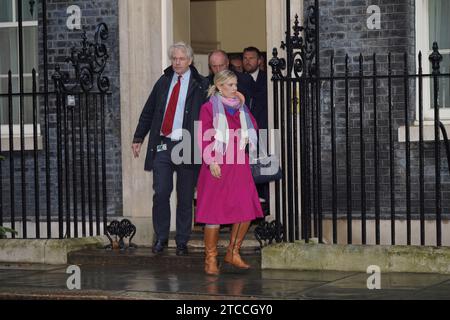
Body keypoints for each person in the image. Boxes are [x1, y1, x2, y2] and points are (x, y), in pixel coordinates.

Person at [132, 42, 209, 256]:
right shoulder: (164, 81)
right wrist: (139, 136)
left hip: (187, 144)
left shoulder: (201, 84)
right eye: (174, 58)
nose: (177, 62)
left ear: (190, 61)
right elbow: (148, 111)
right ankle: (161, 237)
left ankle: (182, 240)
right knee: (162, 192)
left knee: (185, 196)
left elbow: (210, 115)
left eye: (181, 59)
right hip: (163, 144)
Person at [196, 70, 264, 275]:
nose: (235, 88)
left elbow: (254, 126)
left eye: (236, 85)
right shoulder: (208, 108)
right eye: (231, 85)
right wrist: (211, 161)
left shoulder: (241, 108)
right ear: (219, 86)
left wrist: (247, 136)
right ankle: (210, 259)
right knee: (213, 212)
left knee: (246, 208)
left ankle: (233, 252)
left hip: (239, 163)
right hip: (217, 163)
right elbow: (203, 136)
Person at [243, 46, 269, 208]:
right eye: (245, 58)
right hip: (242, 135)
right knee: (245, 172)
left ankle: (265, 209)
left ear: (259, 61)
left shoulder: (268, 79)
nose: (247, 61)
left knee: (263, 171)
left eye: (251, 58)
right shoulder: (236, 80)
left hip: (263, 131)